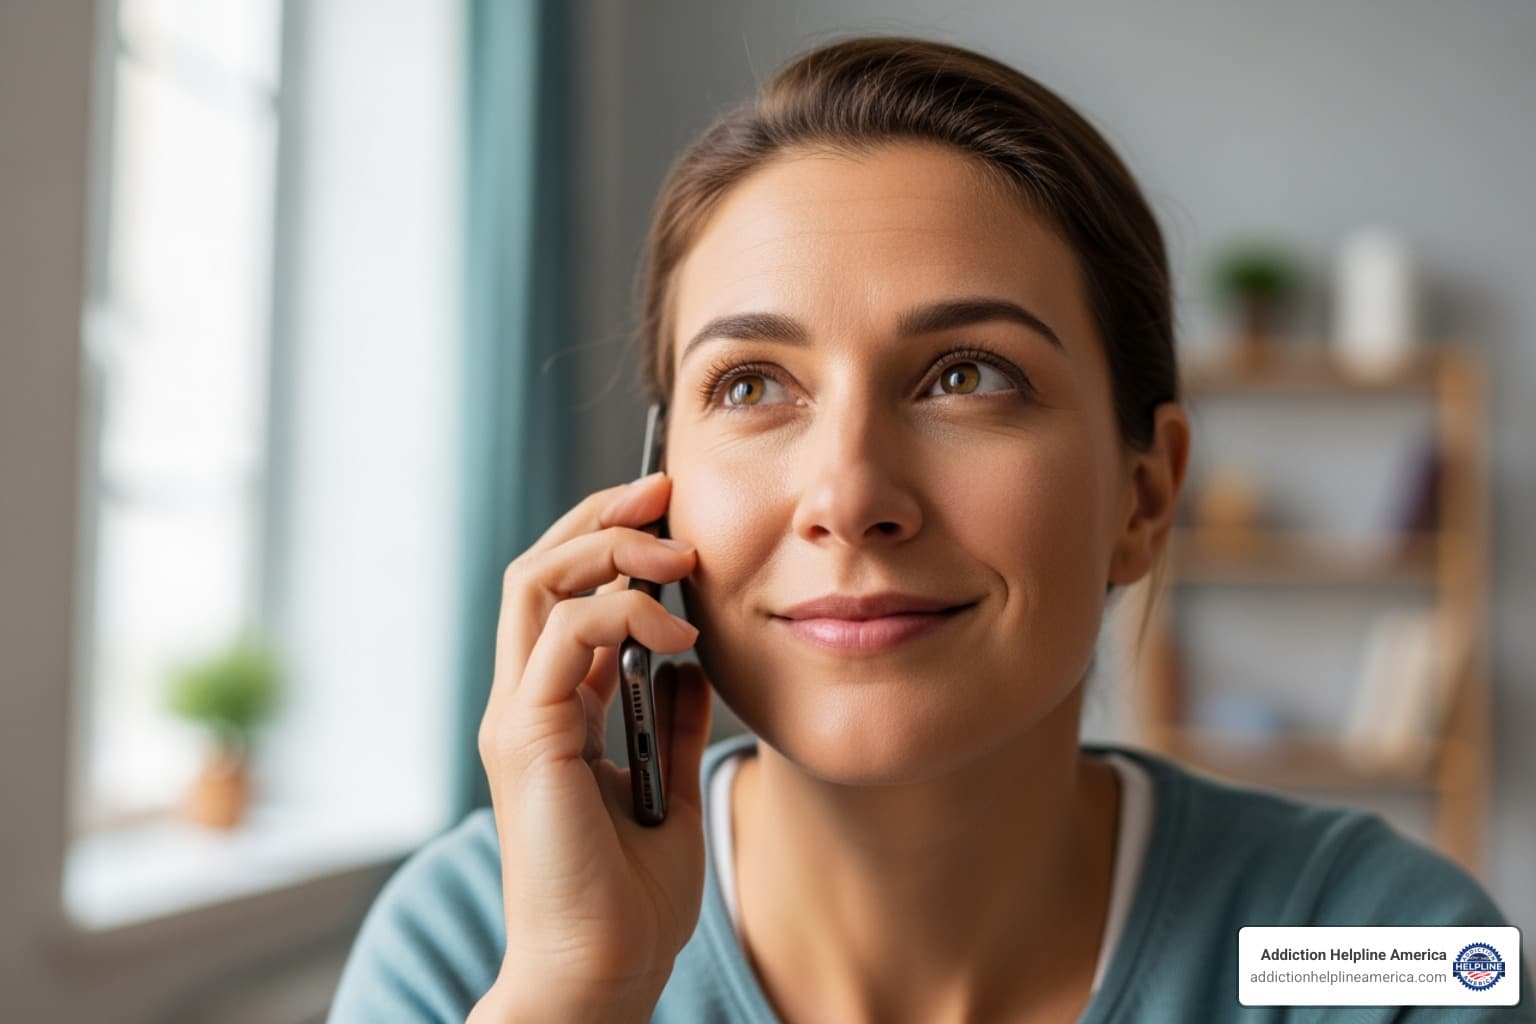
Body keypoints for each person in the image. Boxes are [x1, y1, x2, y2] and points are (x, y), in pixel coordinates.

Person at [328, 35, 1531, 1023]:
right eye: (751, 385)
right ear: (656, 486)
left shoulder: (1374, 951)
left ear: (1144, 496)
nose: (849, 495)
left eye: (968, 375)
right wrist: (576, 995)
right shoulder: (476, 942)